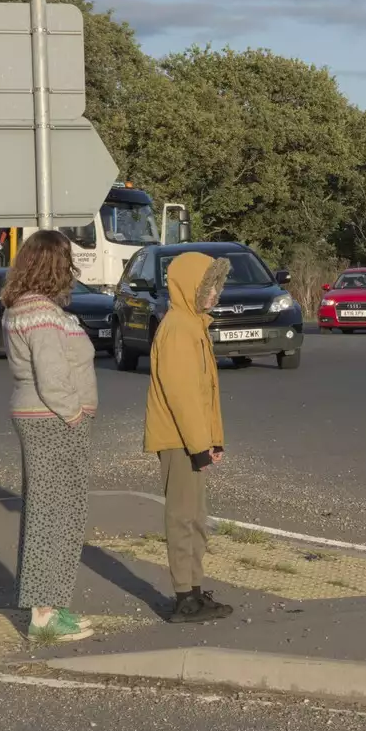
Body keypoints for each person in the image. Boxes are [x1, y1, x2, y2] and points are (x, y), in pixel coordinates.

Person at [1, 230, 99, 642]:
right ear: (55, 265)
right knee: (53, 513)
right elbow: (52, 374)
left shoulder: (24, 307)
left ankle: (53, 604)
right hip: (53, 418)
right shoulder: (40, 312)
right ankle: (44, 613)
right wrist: (74, 415)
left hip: (44, 416)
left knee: (59, 510)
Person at [145, 252, 238, 623]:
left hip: (191, 439)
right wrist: (201, 446)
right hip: (179, 439)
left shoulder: (192, 323)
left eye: (216, 286)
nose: (214, 293)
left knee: (195, 517)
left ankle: (194, 592)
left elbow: (204, 395)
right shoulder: (179, 328)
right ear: (189, 287)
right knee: (184, 517)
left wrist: (212, 441)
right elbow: (183, 396)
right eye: (208, 286)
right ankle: (184, 598)